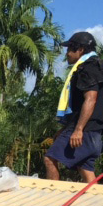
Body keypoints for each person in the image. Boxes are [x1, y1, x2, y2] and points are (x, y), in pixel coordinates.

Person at [44, 31, 103, 183]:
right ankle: (96, 199)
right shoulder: (96, 66)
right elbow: (80, 106)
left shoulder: (87, 68)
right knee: (85, 168)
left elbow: (91, 99)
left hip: (86, 131)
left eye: (70, 49)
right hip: (95, 134)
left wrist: (78, 130)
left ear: (81, 50)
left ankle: (53, 196)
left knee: (50, 159)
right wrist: (65, 129)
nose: (67, 53)